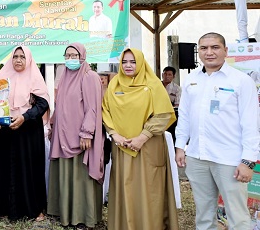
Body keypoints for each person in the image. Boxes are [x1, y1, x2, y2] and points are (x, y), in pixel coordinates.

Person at [175, 32, 260, 230]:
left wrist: (248, 161)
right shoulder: (191, 79)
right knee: (204, 215)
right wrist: (180, 146)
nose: (209, 52)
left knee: (237, 217)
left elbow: (251, 124)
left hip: (230, 159)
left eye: (215, 47)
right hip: (197, 156)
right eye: (204, 48)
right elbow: (185, 116)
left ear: (225, 51)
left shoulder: (240, 81)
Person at [102, 48, 178, 230]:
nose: (128, 66)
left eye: (133, 62)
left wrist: (142, 137)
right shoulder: (114, 85)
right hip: (121, 147)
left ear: (141, 63)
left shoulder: (153, 85)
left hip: (148, 147)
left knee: (149, 189)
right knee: (125, 188)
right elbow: (106, 111)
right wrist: (115, 134)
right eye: (125, 62)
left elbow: (163, 114)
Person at [48, 43, 104, 229]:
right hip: (63, 135)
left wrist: (87, 133)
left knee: (81, 177)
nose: (71, 59)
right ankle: (64, 213)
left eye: (75, 55)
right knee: (65, 173)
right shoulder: (64, 76)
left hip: (80, 138)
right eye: (67, 56)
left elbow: (93, 108)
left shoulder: (90, 77)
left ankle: (82, 217)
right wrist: (53, 124)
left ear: (83, 56)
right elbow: (61, 104)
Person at [0, 46, 49, 221]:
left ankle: (34, 208)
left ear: (28, 59)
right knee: (5, 167)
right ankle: (6, 207)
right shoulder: (2, 77)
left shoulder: (35, 78)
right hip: (5, 130)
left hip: (28, 131)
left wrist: (24, 116)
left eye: (22, 57)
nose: (18, 60)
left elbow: (42, 104)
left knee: (30, 169)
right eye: (15, 56)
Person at [162, 66, 181, 142]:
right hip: (158, 112)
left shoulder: (177, 88)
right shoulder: (157, 86)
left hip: (171, 113)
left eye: (169, 74)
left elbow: (177, 104)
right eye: (165, 74)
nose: (167, 76)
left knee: (171, 134)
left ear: (173, 76)